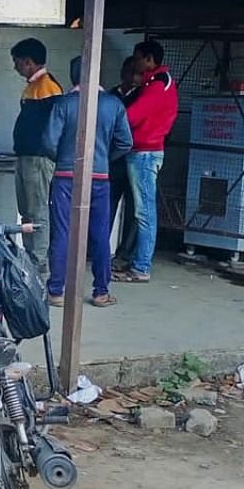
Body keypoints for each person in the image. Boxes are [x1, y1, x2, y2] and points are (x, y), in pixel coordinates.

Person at [43, 56, 133, 308]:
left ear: (72, 76)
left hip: (65, 177)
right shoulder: (113, 104)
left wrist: (63, 159)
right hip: (100, 177)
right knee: (100, 234)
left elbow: (48, 141)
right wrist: (102, 159)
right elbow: (125, 142)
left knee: (62, 232)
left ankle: (57, 291)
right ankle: (101, 291)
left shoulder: (63, 103)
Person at [114, 40, 179, 284]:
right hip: (146, 150)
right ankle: (138, 263)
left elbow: (134, 115)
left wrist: (113, 122)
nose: (136, 62)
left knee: (145, 213)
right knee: (144, 211)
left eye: (138, 57)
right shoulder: (157, 82)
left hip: (145, 152)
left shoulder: (157, 84)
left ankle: (141, 267)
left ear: (149, 59)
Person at [10, 38, 65, 270]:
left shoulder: (48, 87)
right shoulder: (33, 85)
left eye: (17, 62)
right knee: (26, 211)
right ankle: (32, 256)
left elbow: (55, 128)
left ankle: (39, 260)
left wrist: (48, 154)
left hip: (38, 158)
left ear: (28, 62)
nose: (15, 67)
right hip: (26, 156)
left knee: (37, 211)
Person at [109, 56, 142, 272]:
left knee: (133, 210)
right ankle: (97, 248)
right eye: (128, 71)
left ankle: (124, 254)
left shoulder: (142, 96)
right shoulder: (110, 96)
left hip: (135, 156)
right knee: (105, 206)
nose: (131, 76)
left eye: (136, 72)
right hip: (112, 159)